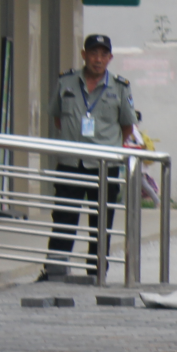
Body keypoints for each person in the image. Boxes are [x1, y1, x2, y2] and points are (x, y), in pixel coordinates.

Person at [45, 34, 136, 282]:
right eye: (93, 53)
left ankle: (97, 273)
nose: (98, 59)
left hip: (104, 166)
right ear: (84, 54)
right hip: (71, 163)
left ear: (110, 58)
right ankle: (54, 270)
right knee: (63, 217)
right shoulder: (66, 81)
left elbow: (127, 126)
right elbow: (57, 118)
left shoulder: (120, 86)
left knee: (101, 221)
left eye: (103, 55)